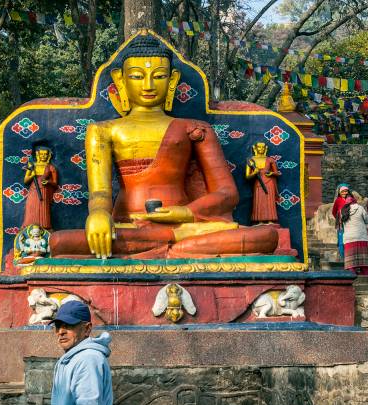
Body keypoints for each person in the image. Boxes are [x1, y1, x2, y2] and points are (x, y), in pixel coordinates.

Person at [49, 33, 277, 259]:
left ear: (172, 79)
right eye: (137, 76)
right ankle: (175, 248)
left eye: (158, 76)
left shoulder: (196, 128)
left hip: (186, 226)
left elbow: (227, 194)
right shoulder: (102, 130)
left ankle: (168, 245)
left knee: (266, 237)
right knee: (60, 242)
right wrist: (98, 214)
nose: (148, 85)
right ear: (121, 79)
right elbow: (100, 192)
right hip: (129, 227)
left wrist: (187, 212)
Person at [22, 145, 59, 229]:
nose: (43, 156)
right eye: (41, 154)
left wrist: (48, 182)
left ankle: (44, 227)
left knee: (43, 209)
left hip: (44, 191)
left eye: (45, 154)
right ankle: (29, 227)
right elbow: (25, 180)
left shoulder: (51, 167)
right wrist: (32, 175)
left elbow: (55, 183)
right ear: (37, 155)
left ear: (48, 156)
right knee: (31, 207)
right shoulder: (32, 166)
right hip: (33, 190)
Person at [245, 141, 281, 224]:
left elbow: (277, 173)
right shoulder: (251, 160)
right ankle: (259, 220)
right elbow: (247, 176)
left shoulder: (270, 160)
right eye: (259, 147)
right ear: (255, 148)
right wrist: (254, 172)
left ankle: (270, 220)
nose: (261, 149)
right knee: (259, 201)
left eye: (262, 147)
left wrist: (271, 173)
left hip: (269, 182)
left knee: (269, 201)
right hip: (258, 183)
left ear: (265, 148)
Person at [341, 195, 368, 275]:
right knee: (363, 258)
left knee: (351, 261)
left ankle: (351, 274)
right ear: (354, 200)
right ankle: (365, 274)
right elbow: (367, 220)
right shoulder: (360, 208)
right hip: (360, 236)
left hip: (349, 237)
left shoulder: (343, 210)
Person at [331, 183, 350, 258]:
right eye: (342, 191)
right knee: (341, 240)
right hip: (341, 223)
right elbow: (333, 212)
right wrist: (339, 218)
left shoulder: (350, 199)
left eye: (346, 191)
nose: (344, 193)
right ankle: (342, 256)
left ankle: (349, 255)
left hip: (349, 222)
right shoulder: (338, 200)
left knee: (348, 239)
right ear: (339, 192)